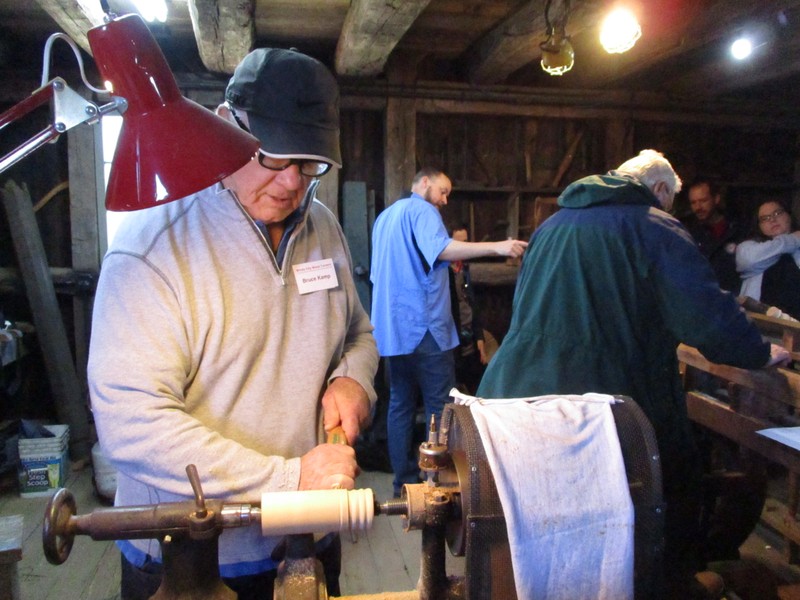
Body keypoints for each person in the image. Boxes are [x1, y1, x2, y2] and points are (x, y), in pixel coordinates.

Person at [87, 48, 379, 600]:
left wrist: (353, 378)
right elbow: (131, 422)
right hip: (192, 559)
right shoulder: (154, 247)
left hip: (307, 538)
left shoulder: (324, 228)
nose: (293, 183)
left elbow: (358, 333)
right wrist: (289, 482)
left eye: (311, 163)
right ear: (225, 126)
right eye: (273, 156)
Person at [476, 150, 790, 598]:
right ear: (659, 190)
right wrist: (758, 353)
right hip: (612, 404)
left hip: (516, 399)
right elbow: (707, 319)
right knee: (671, 485)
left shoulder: (552, 226)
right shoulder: (653, 226)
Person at [370, 167, 527, 496]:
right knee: (438, 406)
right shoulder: (422, 210)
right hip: (425, 328)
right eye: (442, 191)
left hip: (394, 331)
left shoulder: (385, 218)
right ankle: (435, 483)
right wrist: (498, 247)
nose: (444, 199)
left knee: (399, 403)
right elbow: (441, 250)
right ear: (424, 183)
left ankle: (403, 483)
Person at [736, 198, 800, 320]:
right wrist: (795, 238)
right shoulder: (748, 247)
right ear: (758, 226)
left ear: (789, 215)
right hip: (760, 326)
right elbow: (749, 261)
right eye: (765, 218)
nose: (772, 220)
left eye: (777, 213)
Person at [683, 178, 744, 293]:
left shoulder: (738, 229)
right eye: (693, 202)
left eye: (703, 200)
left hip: (734, 299)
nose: (698, 207)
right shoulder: (687, 232)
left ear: (716, 199)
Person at [448, 224, 488, 394]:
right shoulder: (443, 272)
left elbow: (472, 302)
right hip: (452, 338)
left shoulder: (464, 269)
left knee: (475, 382)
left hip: (468, 334)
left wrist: (479, 337)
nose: (463, 248)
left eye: (465, 243)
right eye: (459, 244)